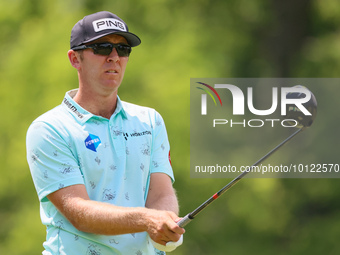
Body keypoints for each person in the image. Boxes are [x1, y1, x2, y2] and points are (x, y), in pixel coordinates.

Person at [26, 11, 185, 255]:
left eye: (123, 50)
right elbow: (80, 213)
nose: (114, 57)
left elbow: (162, 192)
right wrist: (147, 219)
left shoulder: (149, 120)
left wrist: (166, 222)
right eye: (102, 48)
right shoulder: (49, 129)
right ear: (74, 59)